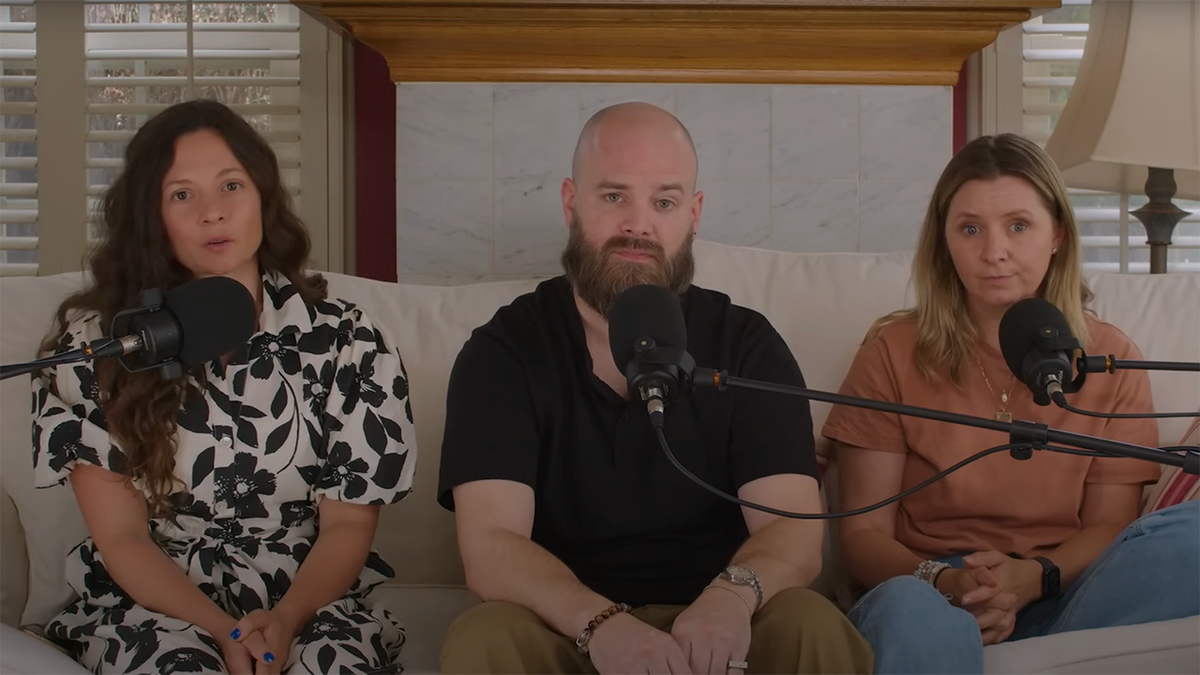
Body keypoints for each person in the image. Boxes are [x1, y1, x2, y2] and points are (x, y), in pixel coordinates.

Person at [435, 101, 873, 675]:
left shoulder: (747, 343)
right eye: (614, 196)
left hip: (724, 621)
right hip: (568, 626)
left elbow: (792, 529)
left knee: (813, 625)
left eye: (663, 202)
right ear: (572, 202)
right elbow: (491, 546)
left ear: (693, 214)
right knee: (482, 638)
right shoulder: (502, 351)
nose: (638, 224)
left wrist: (731, 600)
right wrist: (601, 625)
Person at [31, 99, 418, 675]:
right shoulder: (100, 342)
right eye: (182, 194)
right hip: (155, 602)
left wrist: (283, 622)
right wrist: (223, 631)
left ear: (263, 196)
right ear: (151, 215)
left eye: (231, 185)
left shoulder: (347, 337)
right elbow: (122, 537)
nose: (213, 212)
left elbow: (347, 524)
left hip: (308, 600)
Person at [821, 133, 1200, 675]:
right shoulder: (892, 350)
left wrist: (1036, 577)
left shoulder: (1109, 357)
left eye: (1018, 226)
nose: (993, 251)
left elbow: (1107, 527)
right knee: (907, 607)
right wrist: (951, 584)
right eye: (970, 228)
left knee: (1192, 539)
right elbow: (862, 535)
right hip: (928, 588)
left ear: (1057, 236)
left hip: (1066, 588)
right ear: (944, 242)